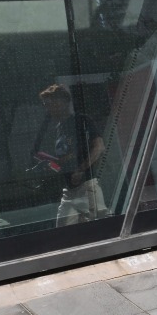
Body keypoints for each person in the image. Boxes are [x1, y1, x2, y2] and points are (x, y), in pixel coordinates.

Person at [38, 83, 108, 226]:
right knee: (63, 231)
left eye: (50, 104)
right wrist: (52, 165)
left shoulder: (81, 120)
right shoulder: (59, 128)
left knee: (101, 228)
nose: (48, 108)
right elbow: (67, 158)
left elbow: (99, 147)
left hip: (86, 187)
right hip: (69, 191)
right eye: (45, 105)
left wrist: (81, 169)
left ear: (63, 102)